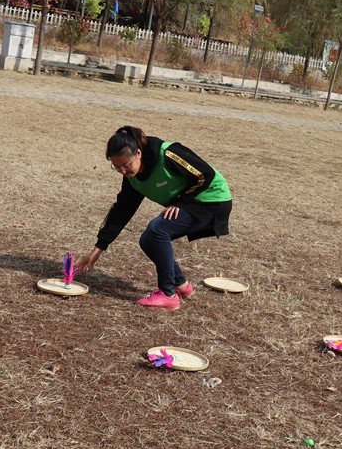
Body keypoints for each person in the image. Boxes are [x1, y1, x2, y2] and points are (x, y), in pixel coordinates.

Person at [76, 126, 232, 311]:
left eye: (126, 165)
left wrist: (181, 202)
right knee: (148, 240)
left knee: (158, 230)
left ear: (138, 153)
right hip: (191, 202)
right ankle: (181, 285)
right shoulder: (132, 176)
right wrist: (98, 248)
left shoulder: (168, 154)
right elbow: (122, 210)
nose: (123, 171)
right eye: (116, 167)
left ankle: (168, 294)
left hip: (212, 200)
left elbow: (206, 174)